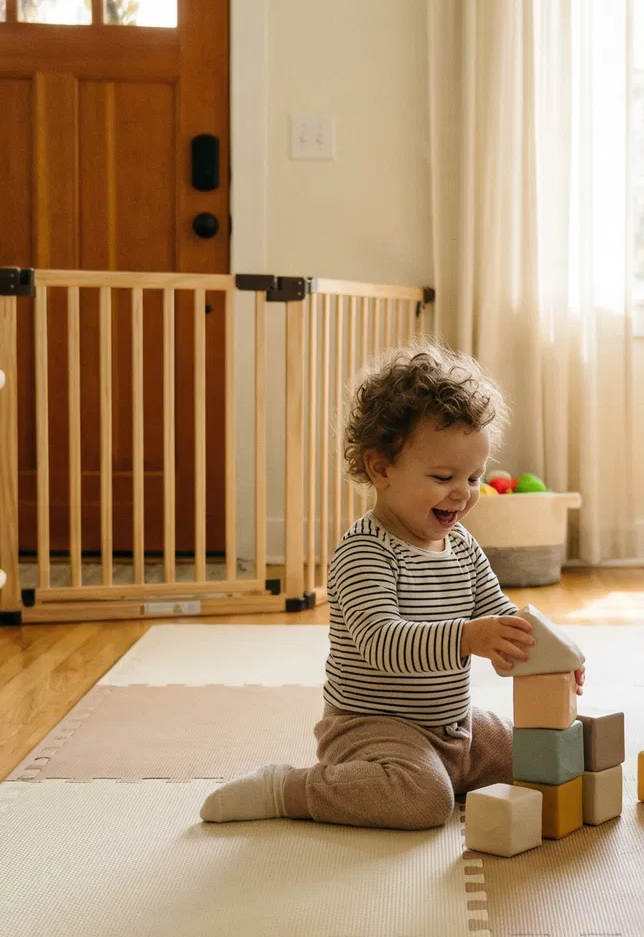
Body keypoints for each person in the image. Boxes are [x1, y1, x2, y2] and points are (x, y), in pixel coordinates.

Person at [199, 343, 583, 828]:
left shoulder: (461, 545)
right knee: (423, 801)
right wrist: (468, 638)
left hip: (453, 727)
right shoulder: (365, 551)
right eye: (443, 476)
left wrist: (551, 654)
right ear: (381, 469)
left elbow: (502, 615)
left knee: (540, 751)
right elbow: (383, 643)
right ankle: (290, 788)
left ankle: (441, 773)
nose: (463, 493)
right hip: (370, 728)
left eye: (474, 477)